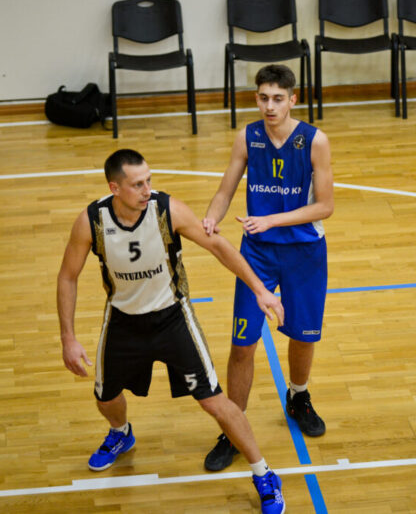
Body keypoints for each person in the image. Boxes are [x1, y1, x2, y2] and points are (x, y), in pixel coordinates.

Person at [57, 149, 286, 514]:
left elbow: (217, 246)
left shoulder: (168, 211)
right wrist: (68, 338)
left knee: (214, 401)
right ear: (114, 188)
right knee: (105, 397)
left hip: (173, 318)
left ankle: (264, 474)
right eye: (137, 184)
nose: (147, 189)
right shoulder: (91, 221)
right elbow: (68, 276)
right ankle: (121, 433)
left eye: (148, 180)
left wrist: (260, 290)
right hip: (123, 320)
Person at [202, 64, 334, 471]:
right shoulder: (247, 137)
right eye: (263, 98)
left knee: (302, 335)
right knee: (242, 344)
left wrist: (272, 220)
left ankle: (298, 396)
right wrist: (211, 218)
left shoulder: (315, 141)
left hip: (304, 253)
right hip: (257, 254)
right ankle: (232, 427)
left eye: (278, 98)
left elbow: (325, 206)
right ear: (256, 98)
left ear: (293, 99)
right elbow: (225, 190)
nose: (270, 106)